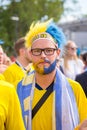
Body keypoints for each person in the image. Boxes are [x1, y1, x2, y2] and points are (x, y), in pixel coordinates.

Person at [17, 19, 87, 130]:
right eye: (37, 51)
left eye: (49, 50)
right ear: (30, 54)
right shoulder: (17, 89)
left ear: (57, 53)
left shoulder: (75, 89)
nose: (43, 55)